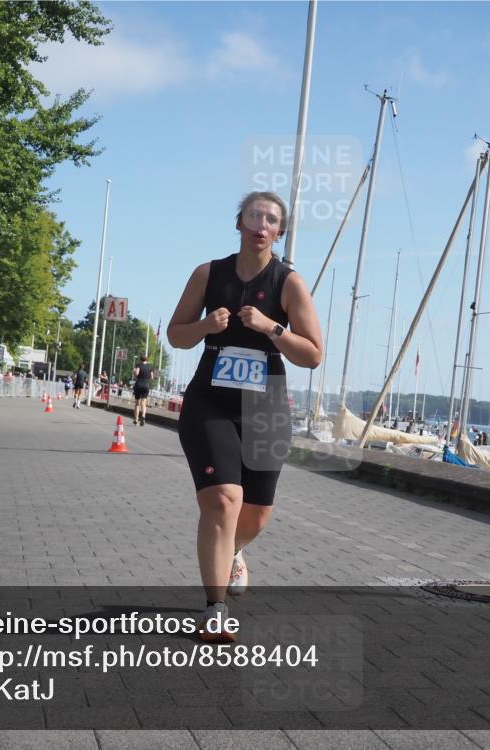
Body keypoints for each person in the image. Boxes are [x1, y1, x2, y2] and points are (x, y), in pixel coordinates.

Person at [167, 191, 322, 642]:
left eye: (271, 219)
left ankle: (231, 551)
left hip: (265, 407)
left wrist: (271, 328)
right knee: (222, 500)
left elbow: (312, 355)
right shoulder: (208, 273)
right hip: (210, 402)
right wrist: (205, 328)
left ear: (279, 232)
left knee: (255, 514)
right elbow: (176, 336)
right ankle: (214, 610)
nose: (261, 223)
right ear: (239, 223)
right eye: (254, 215)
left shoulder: (288, 283)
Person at [132, 356, 154, 426]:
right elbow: (152, 377)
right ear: (146, 360)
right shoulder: (150, 367)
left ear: (140, 360)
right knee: (144, 403)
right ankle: (143, 417)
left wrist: (134, 372)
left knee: (137, 404)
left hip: (139, 385)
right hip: (146, 386)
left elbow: (137, 373)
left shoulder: (139, 365)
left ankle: (136, 419)